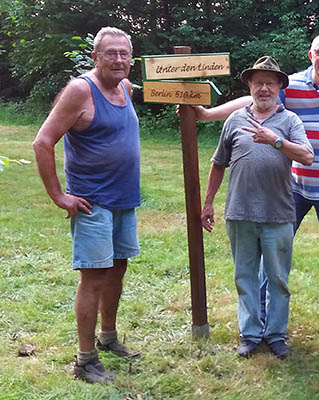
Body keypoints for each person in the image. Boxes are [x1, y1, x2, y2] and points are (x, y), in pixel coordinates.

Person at [194, 34, 319, 332]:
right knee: (271, 248)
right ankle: (261, 309)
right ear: (310, 54)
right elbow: (253, 100)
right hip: (295, 186)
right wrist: (208, 114)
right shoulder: (295, 84)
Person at [32, 27, 142, 383]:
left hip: (125, 200)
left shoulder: (125, 88)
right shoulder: (81, 90)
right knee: (93, 278)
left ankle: (107, 337)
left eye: (124, 54)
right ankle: (84, 360)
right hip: (93, 203)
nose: (119, 60)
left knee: (118, 269)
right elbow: (42, 142)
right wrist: (58, 195)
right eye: (110, 53)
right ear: (95, 57)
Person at [200, 56, 314, 359]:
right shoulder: (234, 120)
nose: (264, 88)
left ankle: (276, 334)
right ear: (250, 86)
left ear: (279, 87)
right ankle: (250, 334)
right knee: (245, 277)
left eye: (270, 83)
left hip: (278, 214)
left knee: (278, 279)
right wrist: (209, 202)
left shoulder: (290, 121)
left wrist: (276, 141)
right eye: (258, 82)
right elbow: (218, 163)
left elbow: (307, 156)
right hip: (239, 213)